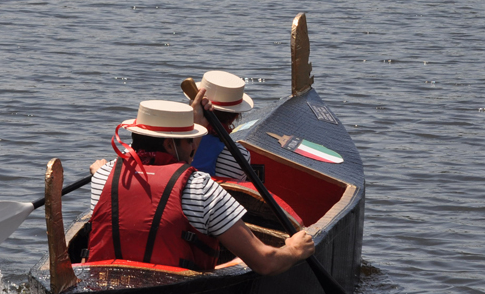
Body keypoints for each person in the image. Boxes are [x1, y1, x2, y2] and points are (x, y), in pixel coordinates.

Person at [87, 99, 315, 275]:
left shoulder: (103, 176)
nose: (194, 148)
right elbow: (264, 262)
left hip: (105, 286)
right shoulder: (201, 187)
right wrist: (294, 250)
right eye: (190, 140)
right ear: (169, 144)